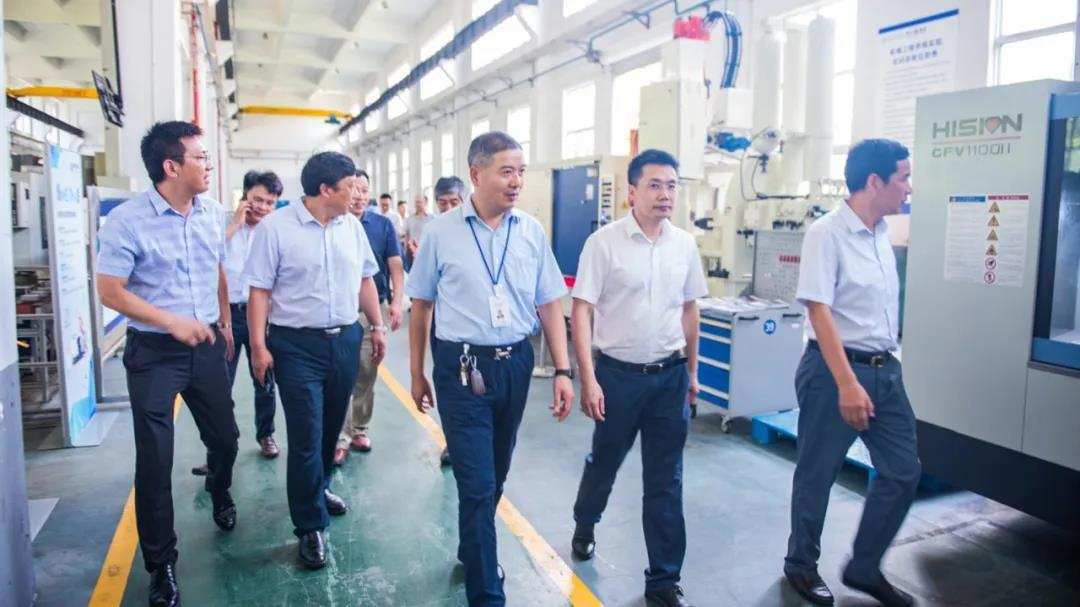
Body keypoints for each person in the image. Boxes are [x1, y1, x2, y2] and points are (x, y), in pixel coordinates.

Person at [407, 132, 574, 606]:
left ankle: (472, 548)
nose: (516, 181)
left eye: (521, 171)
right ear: (476, 174)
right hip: (461, 368)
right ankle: (486, 593)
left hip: (515, 364)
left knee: (496, 474)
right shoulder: (441, 232)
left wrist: (563, 371)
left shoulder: (531, 231)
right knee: (477, 484)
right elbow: (421, 306)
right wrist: (417, 372)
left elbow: (549, 302)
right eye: (506, 171)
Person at [96, 121, 240, 607]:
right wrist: (170, 321)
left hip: (206, 346)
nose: (208, 165)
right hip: (155, 354)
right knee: (155, 460)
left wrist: (224, 320)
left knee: (226, 438)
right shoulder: (127, 221)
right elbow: (110, 291)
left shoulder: (212, 212)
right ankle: (162, 567)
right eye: (201, 157)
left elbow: (216, 268)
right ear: (171, 166)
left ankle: (220, 489)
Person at [567, 149, 706, 607]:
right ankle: (586, 521)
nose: (665, 194)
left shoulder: (684, 245)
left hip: (669, 378)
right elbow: (581, 310)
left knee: (666, 480)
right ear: (632, 191)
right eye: (655, 185)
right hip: (618, 378)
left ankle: (663, 579)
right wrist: (588, 379)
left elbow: (689, 309)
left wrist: (692, 373)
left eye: (671, 185)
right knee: (605, 463)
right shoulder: (604, 244)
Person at [783, 139, 917, 607]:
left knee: (903, 471)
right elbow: (818, 310)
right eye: (903, 177)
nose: (909, 187)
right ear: (874, 181)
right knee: (817, 474)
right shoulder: (827, 233)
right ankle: (800, 565)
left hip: (885, 370)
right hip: (833, 372)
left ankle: (864, 566)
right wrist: (847, 384)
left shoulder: (882, 233)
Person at [243, 152, 387, 569]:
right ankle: (310, 525)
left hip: (344, 340)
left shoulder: (351, 227)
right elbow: (259, 291)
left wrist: (377, 326)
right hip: (296, 345)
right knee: (306, 433)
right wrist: (258, 346)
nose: (357, 194)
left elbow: (365, 279)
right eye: (350, 187)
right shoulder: (275, 229)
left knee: (329, 429)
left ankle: (319, 487)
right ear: (325, 190)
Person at [191, 171, 282, 478]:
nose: (263, 208)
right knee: (219, 387)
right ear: (244, 196)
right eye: (258, 200)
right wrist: (234, 227)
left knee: (264, 380)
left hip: (263, 316)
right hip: (225, 316)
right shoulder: (221, 222)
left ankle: (266, 435)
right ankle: (217, 451)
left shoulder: (275, 230)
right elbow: (205, 259)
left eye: (270, 202)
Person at [333, 170, 405, 465]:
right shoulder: (334, 223)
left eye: (365, 190)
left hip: (372, 309)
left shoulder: (382, 225)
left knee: (366, 370)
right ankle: (340, 437)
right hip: (341, 310)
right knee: (341, 374)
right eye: (354, 189)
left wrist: (396, 302)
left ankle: (359, 428)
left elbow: (395, 265)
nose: (359, 196)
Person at [431, 175, 466, 467]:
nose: (448, 208)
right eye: (443, 203)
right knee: (450, 387)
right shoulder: (435, 234)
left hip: (476, 330)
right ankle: (452, 441)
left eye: (454, 202)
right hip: (444, 328)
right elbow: (423, 297)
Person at [404, 194, 433, 271]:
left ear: (426, 203)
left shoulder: (432, 218)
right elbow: (407, 235)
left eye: (419, 202)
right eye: (416, 202)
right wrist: (405, 250)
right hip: (412, 252)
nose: (417, 204)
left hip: (427, 251)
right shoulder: (410, 219)